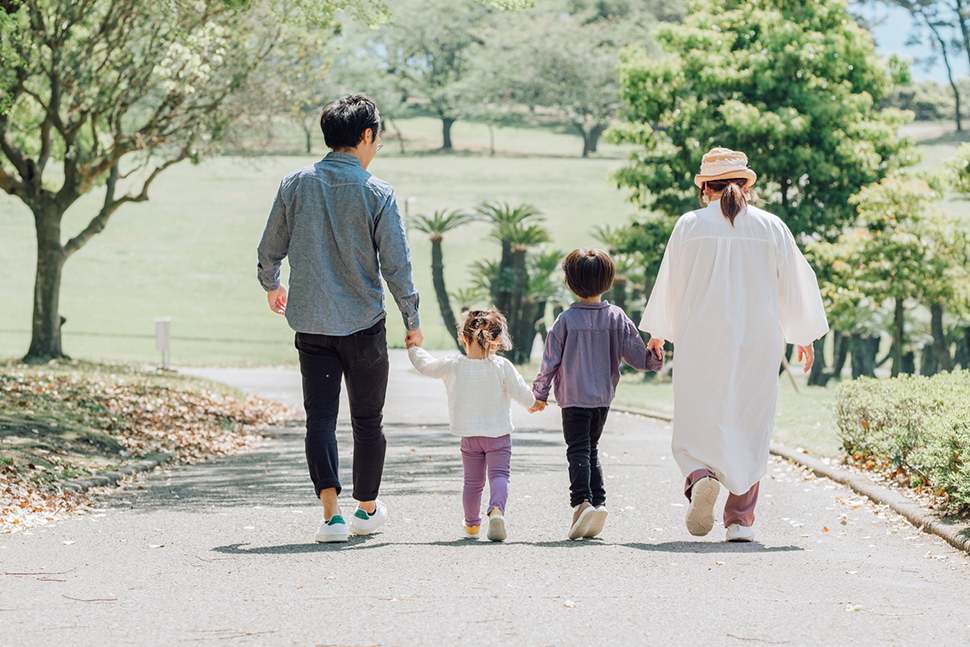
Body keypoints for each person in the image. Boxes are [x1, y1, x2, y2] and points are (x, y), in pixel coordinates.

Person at [640, 147, 829, 543]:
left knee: (697, 413)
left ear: (705, 188)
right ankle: (739, 519)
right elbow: (794, 282)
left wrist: (657, 331)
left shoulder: (688, 225)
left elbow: (669, 284)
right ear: (746, 185)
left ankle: (701, 476)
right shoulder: (771, 226)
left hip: (699, 337)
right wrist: (802, 335)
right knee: (750, 419)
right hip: (756, 340)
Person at [257, 94, 423, 543]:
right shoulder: (378, 193)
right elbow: (397, 266)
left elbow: (269, 247)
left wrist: (272, 284)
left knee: (320, 419)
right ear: (366, 136)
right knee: (368, 420)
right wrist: (412, 319)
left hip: (310, 324)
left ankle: (330, 516)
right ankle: (366, 510)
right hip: (364, 325)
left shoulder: (295, 183)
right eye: (378, 139)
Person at [532, 249, 664, 540]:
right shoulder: (617, 317)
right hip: (603, 399)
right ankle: (599, 503)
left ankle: (582, 503)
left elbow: (549, 362)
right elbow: (638, 358)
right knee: (590, 449)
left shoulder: (565, 320)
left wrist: (539, 394)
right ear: (608, 281)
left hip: (574, 399)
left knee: (577, 450)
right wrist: (654, 354)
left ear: (569, 283)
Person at [407, 309, 536, 542]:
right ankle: (496, 511)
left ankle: (472, 525)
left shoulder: (454, 364)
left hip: (468, 436)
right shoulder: (501, 366)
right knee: (499, 476)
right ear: (496, 341)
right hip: (498, 435)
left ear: (464, 337)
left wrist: (414, 348)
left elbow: (426, 365)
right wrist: (534, 403)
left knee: (472, 482)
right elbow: (523, 393)